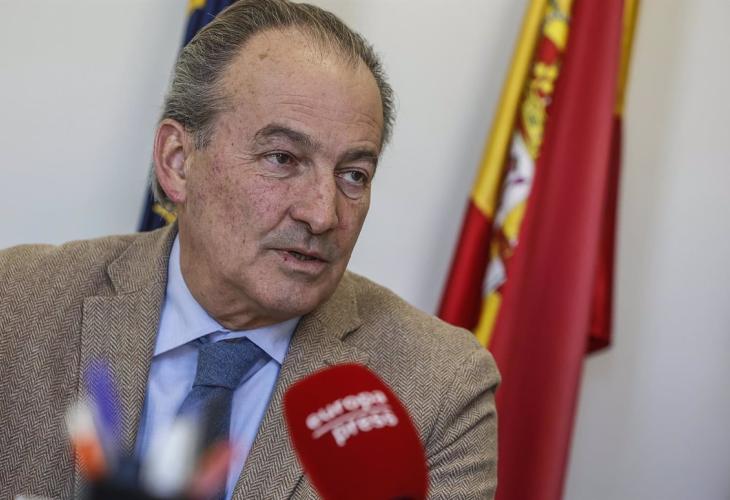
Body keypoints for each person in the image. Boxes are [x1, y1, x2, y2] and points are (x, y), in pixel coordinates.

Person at [0, 1, 499, 498]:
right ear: (177, 161)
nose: (322, 215)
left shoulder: (437, 387)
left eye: (353, 175)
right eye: (282, 158)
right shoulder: (17, 305)